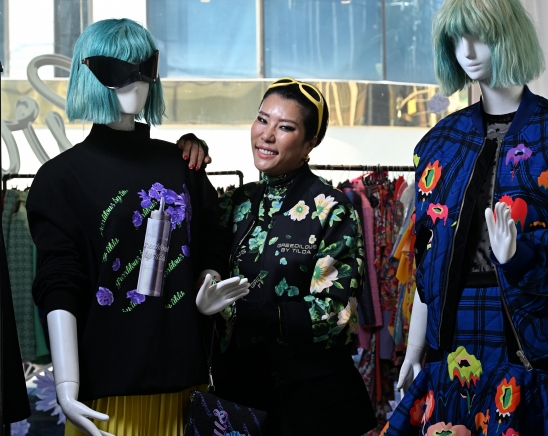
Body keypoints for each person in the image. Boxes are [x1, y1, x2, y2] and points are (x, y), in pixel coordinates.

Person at [382, 0, 548, 435]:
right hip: (451, 350)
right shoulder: (438, 143)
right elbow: (427, 258)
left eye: (479, 35)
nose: (467, 49)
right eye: (456, 38)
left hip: (535, 348)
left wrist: (525, 254)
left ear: (511, 36)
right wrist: (415, 349)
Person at [26, 18, 248, 436]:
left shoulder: (181, 166)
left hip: (185, 384)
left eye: (146, 68)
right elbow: (60, 281)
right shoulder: (60, 179)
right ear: (88, 75)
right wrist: (67, 385)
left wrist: (207, 282)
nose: (138, 82)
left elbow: (212, 243)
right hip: (104, 394)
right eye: (120, 70)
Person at [200, 78, 376, 436]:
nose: (266, 135)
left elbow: (336, 314)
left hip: (312, 401)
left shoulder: (331, 208)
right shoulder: (234, 203)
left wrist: (241, 311)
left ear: (310, 142)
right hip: (240, 398)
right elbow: (203, 261)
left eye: (285, 127)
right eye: (262, 120)